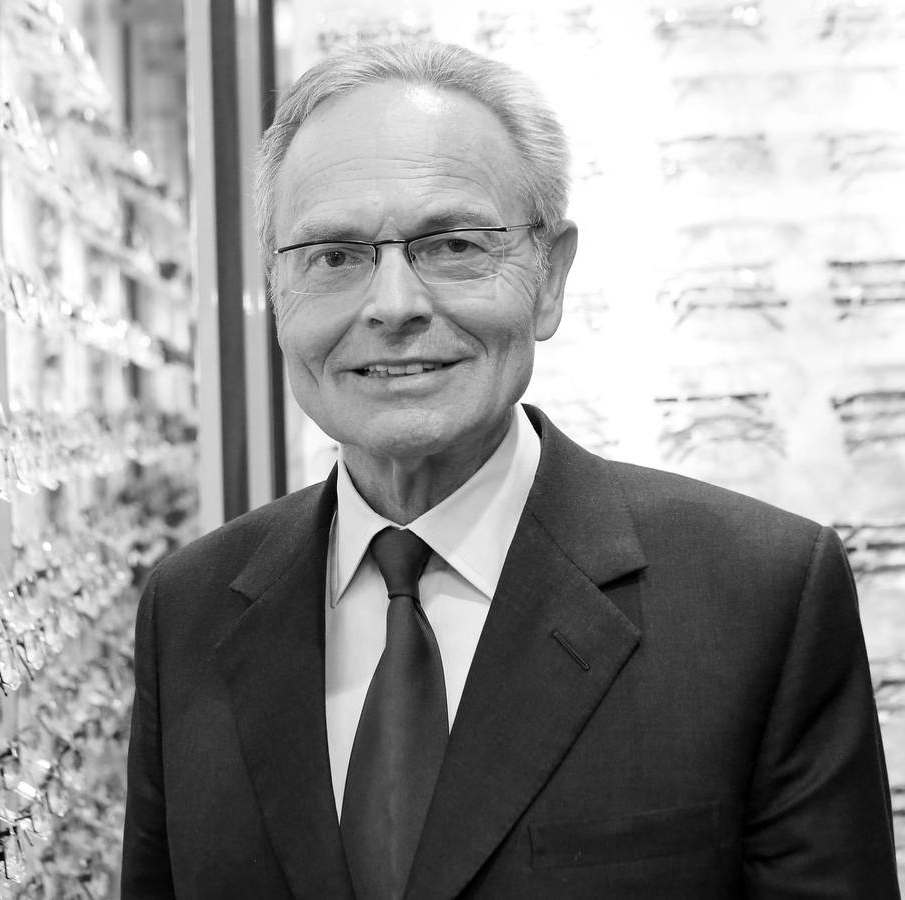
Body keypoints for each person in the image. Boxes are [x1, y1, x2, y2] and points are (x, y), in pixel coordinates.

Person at [121, 41, 898, 899]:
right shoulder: (188, 611)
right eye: (334, 256)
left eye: (453, 245)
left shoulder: (759, 598)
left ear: (550, 277)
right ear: (275, 290)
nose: (393, 306)